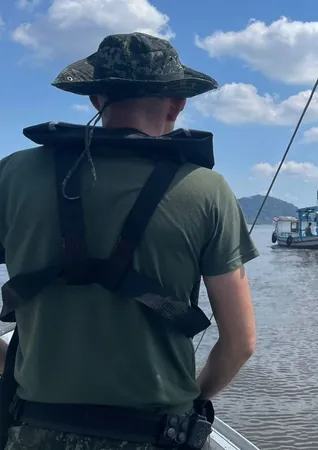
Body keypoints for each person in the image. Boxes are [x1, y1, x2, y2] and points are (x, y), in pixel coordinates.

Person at [0, 32, 259, 449]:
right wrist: (195, 397)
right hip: (153, 434)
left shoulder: (12, 175)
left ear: (96, 100)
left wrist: (6, 364)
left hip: (35, 428)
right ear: (178, 104)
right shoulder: (207, 190)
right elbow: (240, 342)